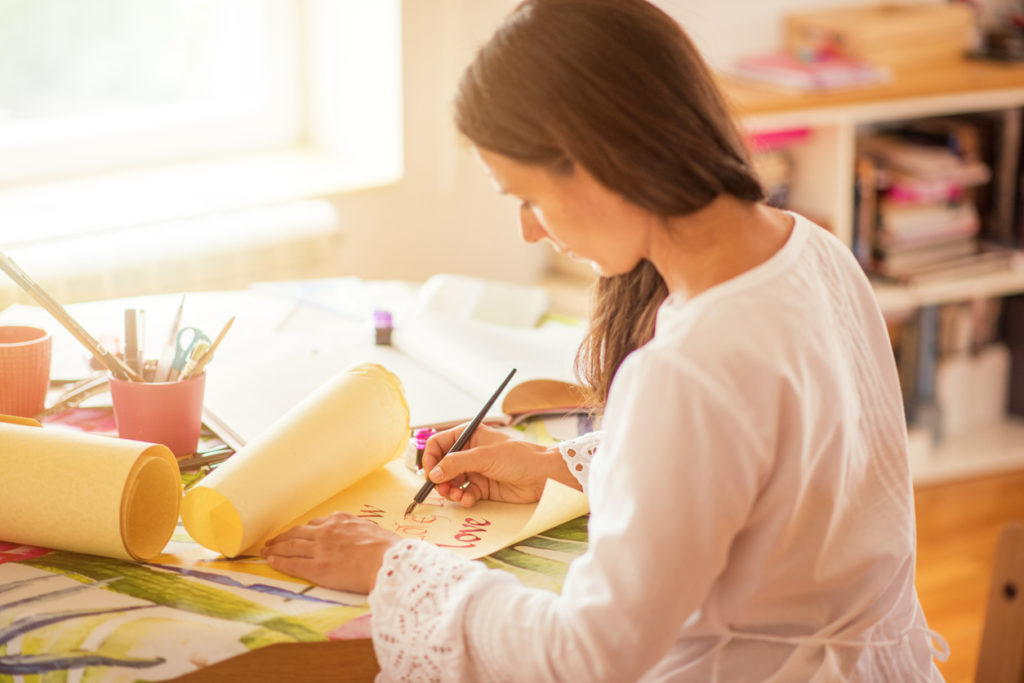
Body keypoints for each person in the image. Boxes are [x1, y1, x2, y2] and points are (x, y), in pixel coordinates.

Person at [262, 0, 949, 679]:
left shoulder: (687, 367)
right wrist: (556, 465)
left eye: (524, 196)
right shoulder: (815, 253)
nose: (529, 230)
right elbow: (761, 462)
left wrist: (394, 565)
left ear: (596, 160)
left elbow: (585, 655)